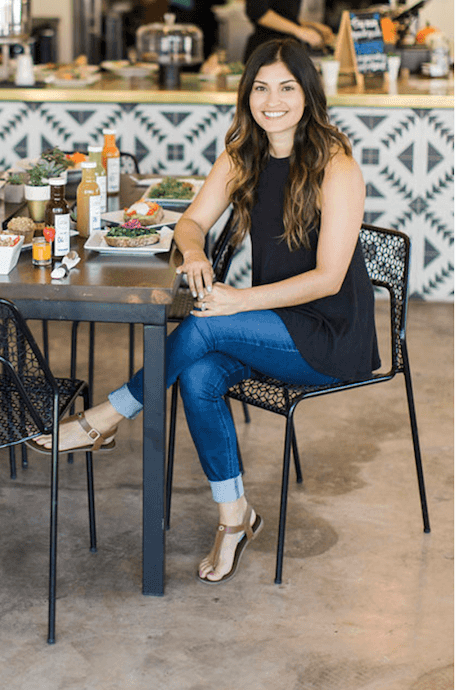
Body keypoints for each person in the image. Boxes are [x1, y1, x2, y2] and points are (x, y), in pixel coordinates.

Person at [29, 38, 379, 585]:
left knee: (202, 323)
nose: (273, 101)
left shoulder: (337, 167)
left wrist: (238, 299)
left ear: (308, 94)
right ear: (247, 95)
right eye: (261, 88)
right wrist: (192, 251)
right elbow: (189, 222)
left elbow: (328, 278)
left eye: (287, 87)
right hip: (273, 324)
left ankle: (106, 416)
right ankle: (234, 516)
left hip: (330, 334)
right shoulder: (244, 155)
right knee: (196, 373)